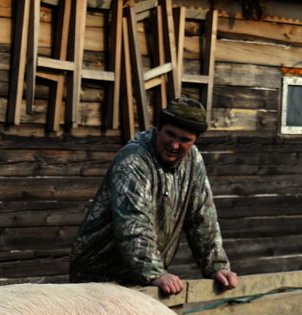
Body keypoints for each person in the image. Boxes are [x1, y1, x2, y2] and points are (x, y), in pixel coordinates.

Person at [69, 96, 239, 297]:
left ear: (194, 141)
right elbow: (133, 224)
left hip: (140, 281)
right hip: (98, 277)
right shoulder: (133, 161)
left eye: (184, 140)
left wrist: (216, 266)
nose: (175, 145)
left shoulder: (193, 161)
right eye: (170, 134)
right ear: (158, 128)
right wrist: (155, 272)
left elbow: (202, 219)